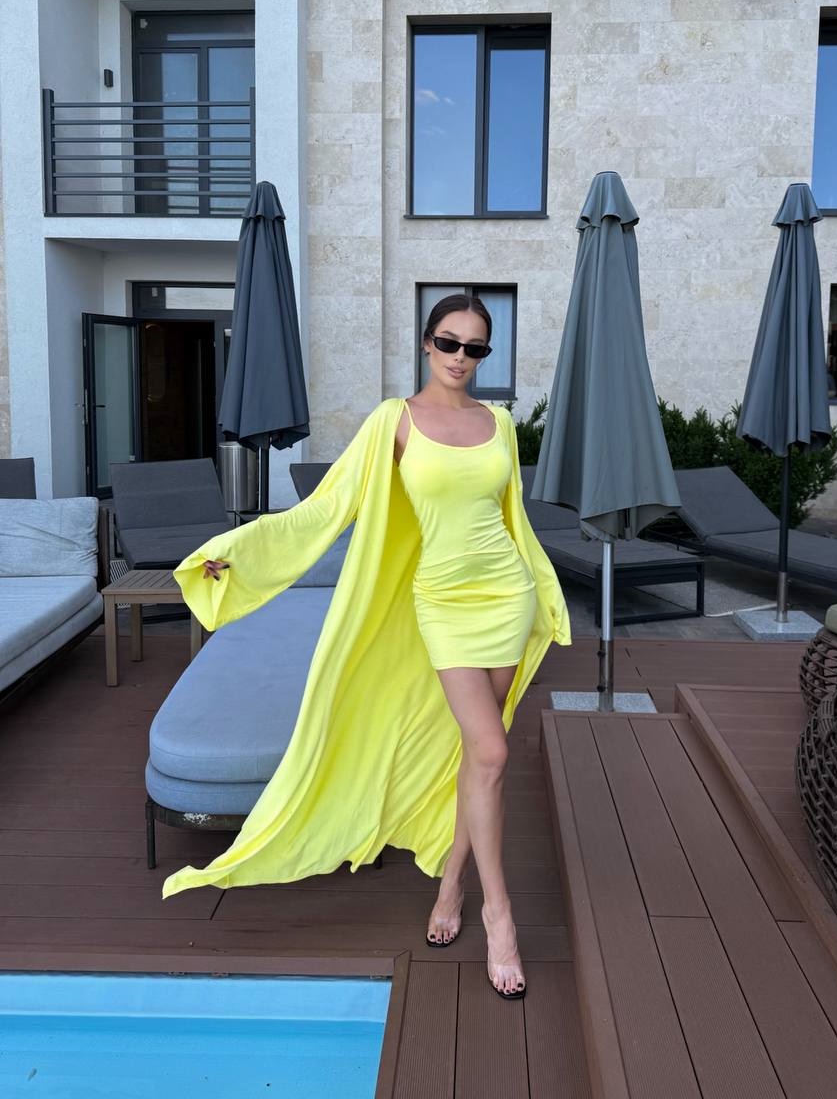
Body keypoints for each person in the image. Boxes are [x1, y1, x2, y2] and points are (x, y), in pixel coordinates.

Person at [164, 293, 571, 1002]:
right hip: (443, 604)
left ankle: (451, 886)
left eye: (476, 348)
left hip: (506, 597)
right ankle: (499, 916)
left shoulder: (500, 424)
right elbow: (327, 507)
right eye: (450, 343)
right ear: (426, 343)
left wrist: (539, 589)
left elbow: (510, 519)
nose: (461, 358)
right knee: (493, 753)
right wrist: (240, 551)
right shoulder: (395, 421)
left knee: (476, 756)